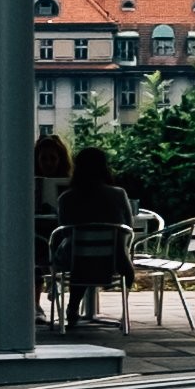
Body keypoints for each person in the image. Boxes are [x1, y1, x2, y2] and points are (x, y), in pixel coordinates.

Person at [52, 141, 134, 337]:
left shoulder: (66, 198)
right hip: (115, 260)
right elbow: (128, 227)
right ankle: (124, 316)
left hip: (75, 260)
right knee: (115, 267)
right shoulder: (118, 194)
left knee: (80, 259)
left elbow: (64, 232)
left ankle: (72, 308)